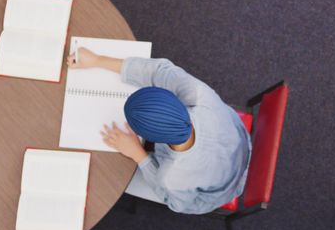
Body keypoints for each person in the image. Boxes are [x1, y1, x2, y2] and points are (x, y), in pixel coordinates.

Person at [66, 47, 251, 215]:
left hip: (220, 189)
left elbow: (179, 204)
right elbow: (158, 71)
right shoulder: (196, 93)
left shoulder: (171, 176)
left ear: (148, 139)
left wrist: (138, 154)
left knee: (118, 178)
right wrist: (98, 60)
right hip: (237, 138)